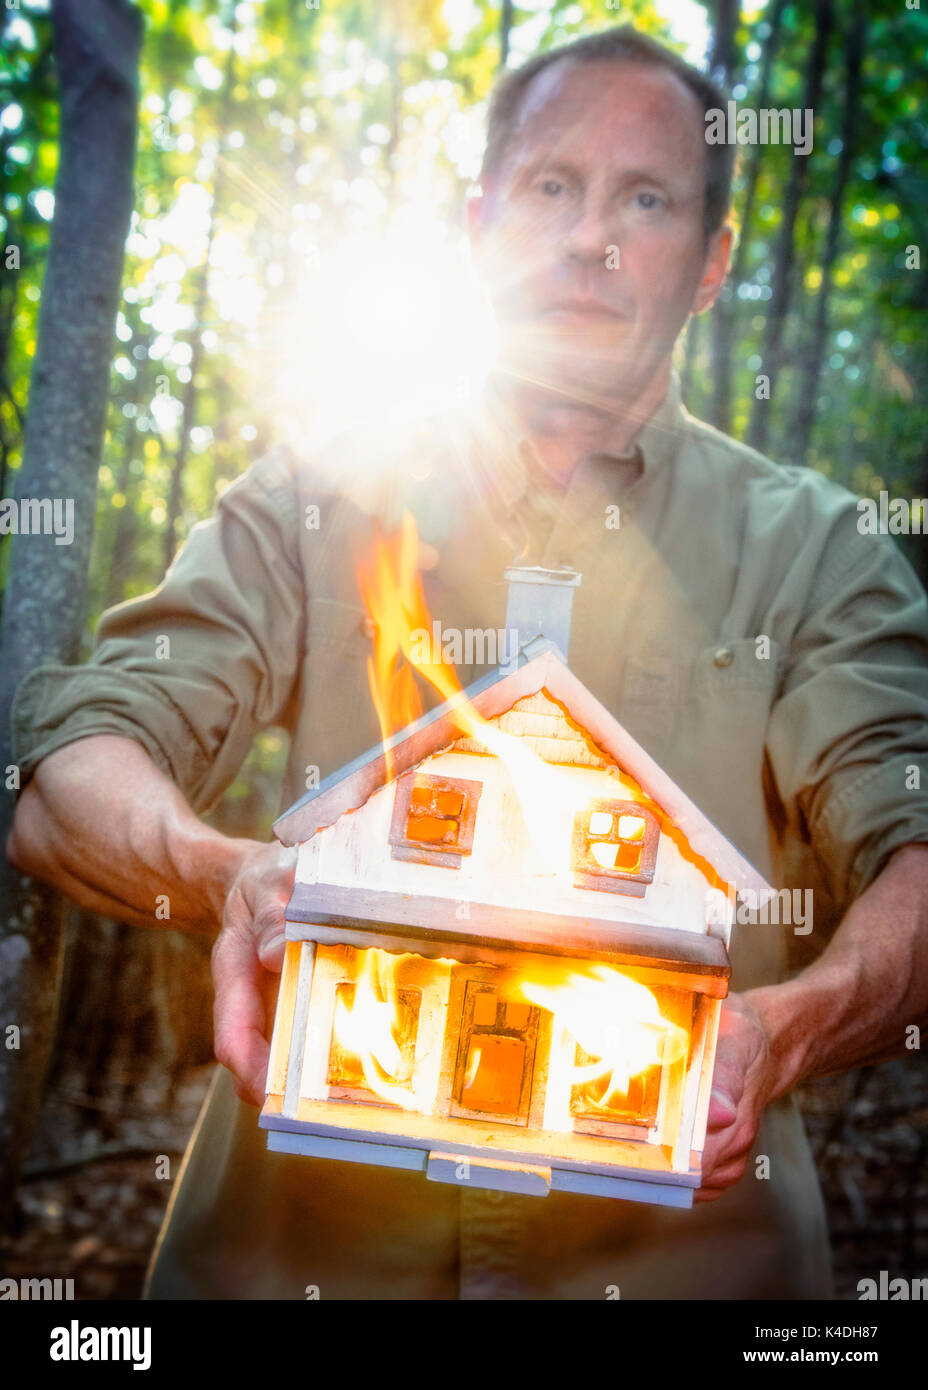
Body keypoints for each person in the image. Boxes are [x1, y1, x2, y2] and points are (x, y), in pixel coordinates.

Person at [7, 26, 928, 1300]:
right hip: (290, 1263)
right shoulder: (318, 494)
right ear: (478, 221)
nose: (589, 238)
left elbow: (915, 847)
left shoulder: (817, 550)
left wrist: (784, 1027)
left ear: (713, 262)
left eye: (646, 198)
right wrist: (235, 878)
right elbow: (69, 774)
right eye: (552, 186)